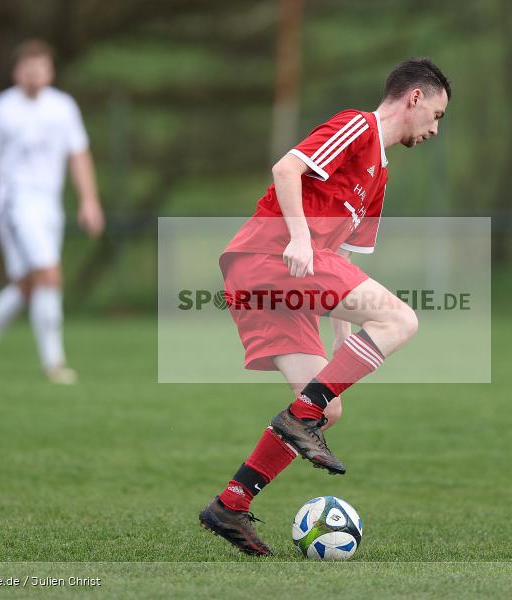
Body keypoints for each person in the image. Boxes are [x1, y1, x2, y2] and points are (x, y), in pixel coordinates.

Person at [199, 58, 450, 555]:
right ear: (414, 98)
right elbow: (286, 168)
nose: (436, 129)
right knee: (402, 317)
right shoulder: (358, 126)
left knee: (326, 408)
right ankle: (298, 420)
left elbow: (345, 266)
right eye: (438, 114)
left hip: (277, 283)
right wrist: (296, 238)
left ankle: (230, 504)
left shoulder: (379, 174)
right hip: (270, 255)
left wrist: (344, 347)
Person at [0, 39, 104, 384]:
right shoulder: (1, 108)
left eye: (41, 67)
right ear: (16, 72)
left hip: (48, 203)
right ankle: (54, 363)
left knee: (26, 284)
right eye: (28, 68)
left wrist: (89, 201)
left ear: (50, 72)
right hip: (14, 201)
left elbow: (78, 155)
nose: (34, 74)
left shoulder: (63, 107)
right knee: (49, 274)